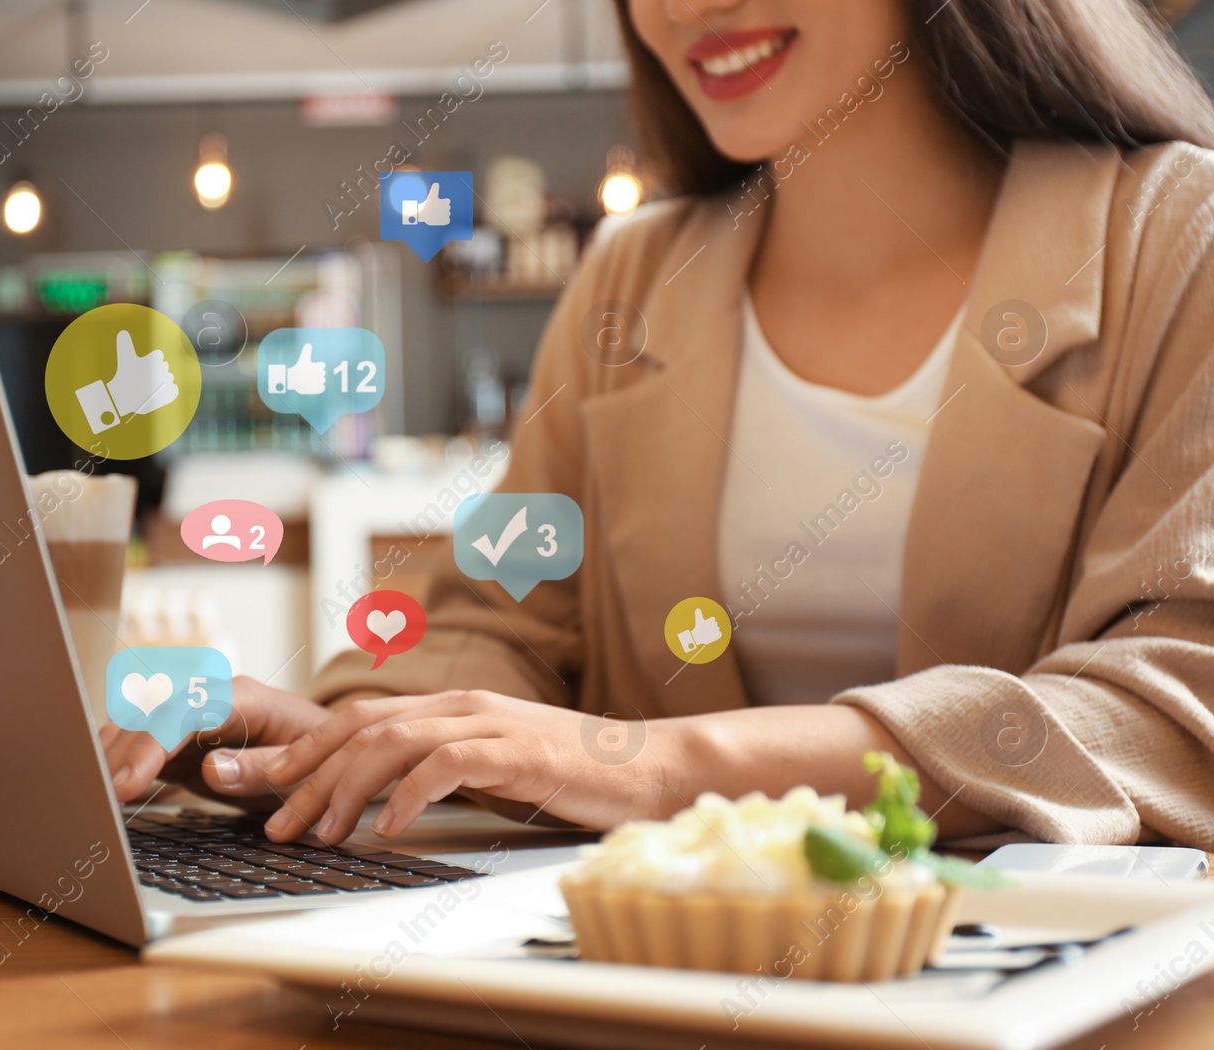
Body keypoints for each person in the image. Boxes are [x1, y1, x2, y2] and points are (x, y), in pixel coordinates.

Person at [103, 0, 1214, 851]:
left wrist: (661, 764)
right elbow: (498, 621)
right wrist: (330, 737)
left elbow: (1175, 708)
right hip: (654, 984)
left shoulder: (1179, 241)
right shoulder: (634, 280)